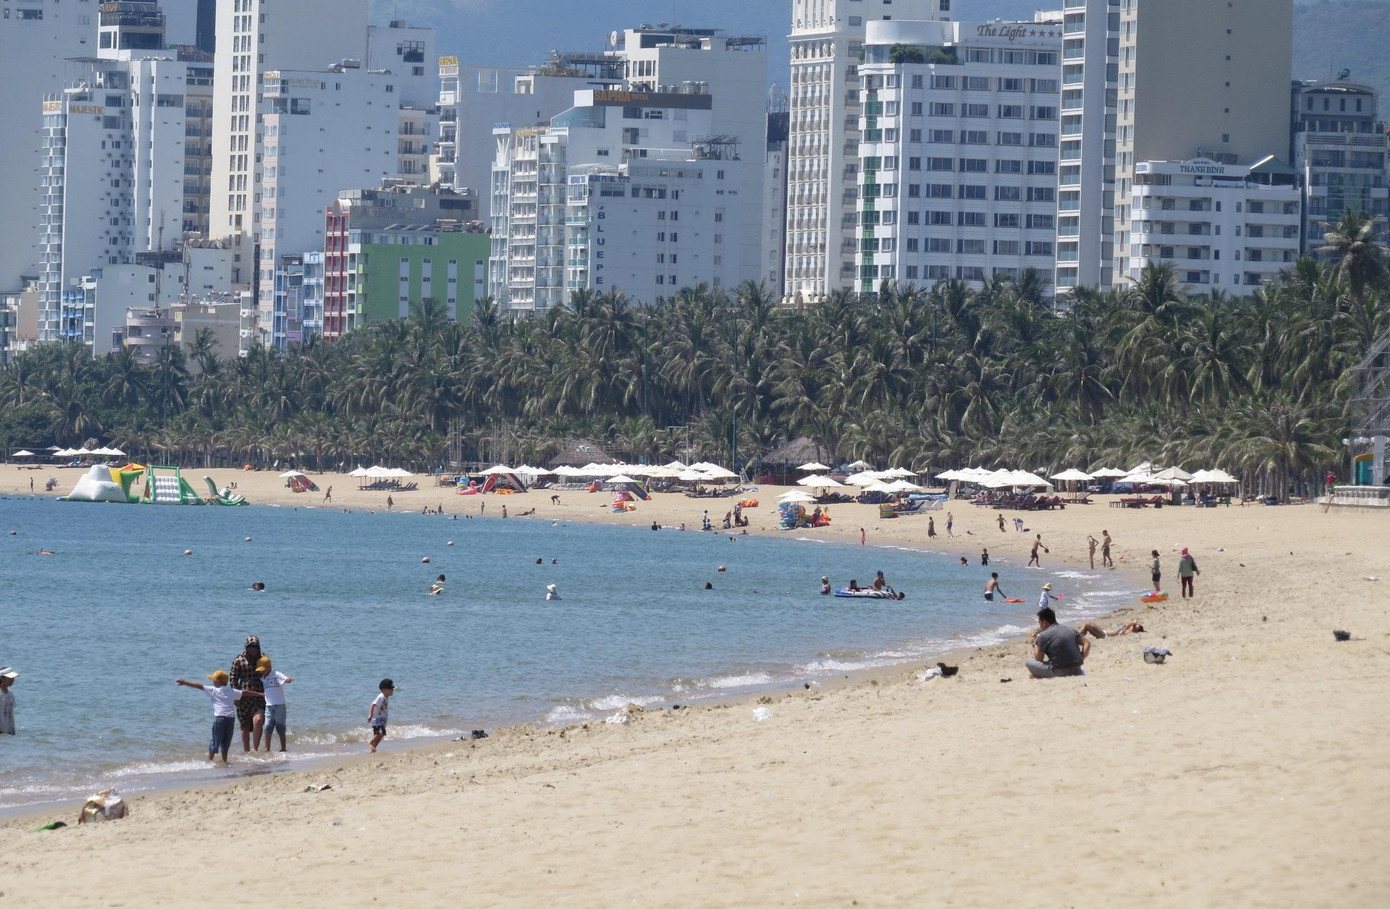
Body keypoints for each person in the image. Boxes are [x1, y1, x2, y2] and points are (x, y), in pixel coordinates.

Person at [176, 670, 264, 763]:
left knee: (215, 741)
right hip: (230, 720)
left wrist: (185, 682)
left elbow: (199, 686)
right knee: (226, 742)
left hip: (220, 719)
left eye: (213, 680)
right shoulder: (231, 691)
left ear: (218, 682)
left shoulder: (214, 690)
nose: (213, 682)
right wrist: (259, 694)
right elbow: (245, 692)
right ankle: (224, 761)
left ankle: (209, 761)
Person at [1026, 606, 1089, 679]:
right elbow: (1087, 643)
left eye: (1040, 623)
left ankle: (1040, 675)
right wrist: (1081, 658)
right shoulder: (1069, 628)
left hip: (1060, 671)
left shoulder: (1043, 635)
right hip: (1077, 669)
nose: (1040, 626)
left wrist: (1035, 644)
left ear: (1044, 622)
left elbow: (1039, 659)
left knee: (1029, 662)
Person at [230, 635, 266, 752]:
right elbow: (233, 679)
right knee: (244, 725)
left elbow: (269, 674)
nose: (253, 650)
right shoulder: (239, 660)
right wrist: (235, 697)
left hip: (260, 695)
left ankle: (255, 749)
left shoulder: (263, 658)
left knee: (258, 720)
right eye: (251, 647)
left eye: (255, 648)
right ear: (246, 647)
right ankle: (246, 751)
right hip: (243, 697)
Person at [256, 656, 293, 752]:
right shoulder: (263, 678)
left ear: (269, 667)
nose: (262, 672)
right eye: (261, 670)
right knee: (268, 727)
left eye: (263, 670)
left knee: (280, 727)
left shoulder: (276, 674)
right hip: (268, 706)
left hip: (279, 706)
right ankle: (267, 749)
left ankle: (283, 748)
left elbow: (285, 678)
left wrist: (288, 680)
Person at [368, 679, 395, 753]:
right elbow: (373, 704)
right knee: (379, 733)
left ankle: (373, 749)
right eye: (390, 689)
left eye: (392, 689)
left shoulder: (385, 697)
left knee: (382, 734)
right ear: (384, 689)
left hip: (382, 720)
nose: (392, 690)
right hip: (377, 719)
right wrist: (370, 715)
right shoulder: (381, 696)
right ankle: (370, 743)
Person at [1078, 620, 1145, 639]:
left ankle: (1078, 637)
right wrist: (1127, 627)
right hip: (1103, 631)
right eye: (1134, 626)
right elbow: (1135, 620)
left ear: (1136, 631)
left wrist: (1123, 630)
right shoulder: (1127, 628)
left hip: (1104, 635)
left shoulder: (1129, 632)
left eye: (1135, 627)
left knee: (1087, 624)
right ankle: (1080, 637)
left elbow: (1133, 623)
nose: (1133, 626)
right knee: (1087, 623)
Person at [0, 667, 17, 735]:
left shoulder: (10, 693)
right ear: (2, 678)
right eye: (9, 678)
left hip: (8, 729)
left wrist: (13, 728)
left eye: (13, 678)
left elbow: (11, 712)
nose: (12, 680)